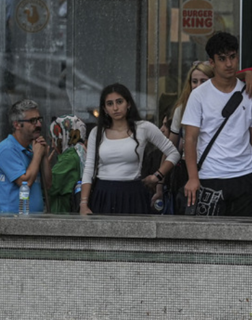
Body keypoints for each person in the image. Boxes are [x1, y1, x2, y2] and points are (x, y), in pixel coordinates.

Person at [182, 31, 252, 217]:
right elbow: (190, 138)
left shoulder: (250, 92)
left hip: (246, 175)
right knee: (209, 240)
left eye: (233, 57)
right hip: (210, 176)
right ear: (212, 62)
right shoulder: (199, 95)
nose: (229, 64)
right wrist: (193, 177)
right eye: (222, 59)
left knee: (245, 239)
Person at [81, 84, 179, 215]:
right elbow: (88, 169)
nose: (115, 108)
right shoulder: (96, 132)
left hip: (133, 193)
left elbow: (173, 153)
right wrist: (83, 203)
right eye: (110, 104)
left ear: (128, 104)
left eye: (119, 102)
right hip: (103, 193)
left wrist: (157, 176)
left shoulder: (143, 128)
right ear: (104, 109)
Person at [164, 61, 215, 213]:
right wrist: (160, 181)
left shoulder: (219, 106)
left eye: (203, 81)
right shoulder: (182, 108)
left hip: (213, 168)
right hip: (186, 170)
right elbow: (170, 147)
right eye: (194, 81)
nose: (198, 85)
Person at [0, 99, 52, 213]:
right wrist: (38, 155)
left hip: (34, 220)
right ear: (17, 124)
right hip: (11, 223)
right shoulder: (6, 149)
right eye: (33, 121)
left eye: (39, 119)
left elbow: (48, 184)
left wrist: (43, 156)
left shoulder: (32, 149)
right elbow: (25, 182)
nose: (39, 124)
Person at [47, 114, 87, 214]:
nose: (52, 144)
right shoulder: (80, 152)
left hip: (63, 214)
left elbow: (47, 186)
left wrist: (43, 164)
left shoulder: (68, 158)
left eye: (54, 139)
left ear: (63, 137)